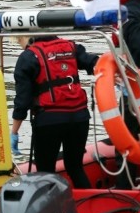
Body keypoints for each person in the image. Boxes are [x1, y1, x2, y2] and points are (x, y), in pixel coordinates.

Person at [11, 35, 99, 188]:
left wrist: (14, 132)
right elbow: (94, 63)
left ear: (25, 38)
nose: (21, 46)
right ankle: (90, 206)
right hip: (79, 117)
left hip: (49, 121)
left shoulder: (28, 57)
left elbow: (22, 100)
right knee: (75, 168)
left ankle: (53, 209)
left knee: (45, 173)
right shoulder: (72, 47)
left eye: (19, 41)